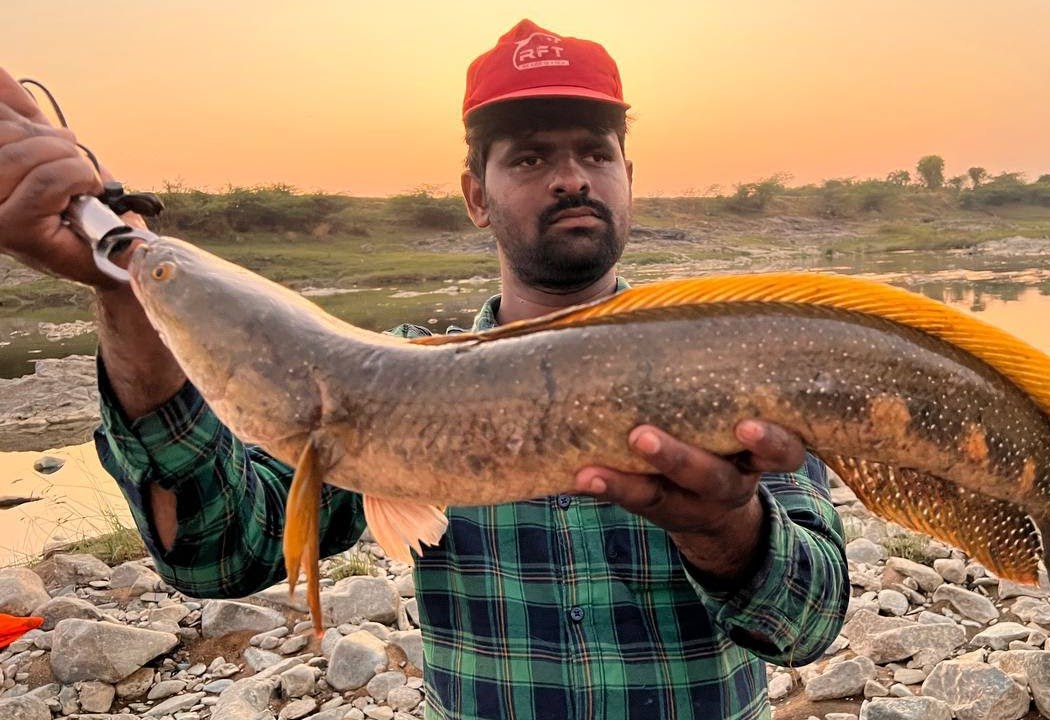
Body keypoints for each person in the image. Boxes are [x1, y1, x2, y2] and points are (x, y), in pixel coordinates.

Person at [0, 19, 849, 719]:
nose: (569, 179)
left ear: (629, 178)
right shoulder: (384, 380)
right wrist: (118, 282)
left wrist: (726, 530)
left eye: (594, 152)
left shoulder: (720, 363)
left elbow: (809, 628)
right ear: (475, 193)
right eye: (527, 157)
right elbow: (217, 557)